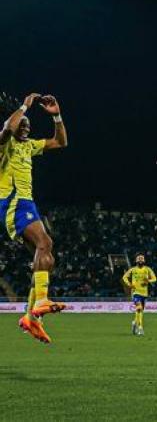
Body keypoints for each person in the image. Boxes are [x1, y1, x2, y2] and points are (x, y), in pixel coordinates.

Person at [0, 94, 68, 344]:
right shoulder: (5, 145)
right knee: (45, 243)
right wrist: (25, 106)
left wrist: (56, 115)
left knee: (46, 258)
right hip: (13, 203)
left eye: (29, 125)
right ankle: (40, 301)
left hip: (28, 204)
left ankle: (32, 318)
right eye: (23, 124)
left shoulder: (29, 146)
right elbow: (7, 128)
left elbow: (60, 142)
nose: (26, 127)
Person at [122, 253, 157, 336]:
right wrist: (129, 284)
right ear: (136, 261)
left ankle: (134, 323)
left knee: (140, 311)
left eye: (142, 259)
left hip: (144, 293)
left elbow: (154, 278)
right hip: (135, 292)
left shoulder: (147, 269)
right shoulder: (133, 270)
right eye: (139, 259)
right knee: (139, 308)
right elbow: (124, 277)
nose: (140, 261)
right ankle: (140, 328)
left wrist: (148, 281)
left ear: (144, 261)